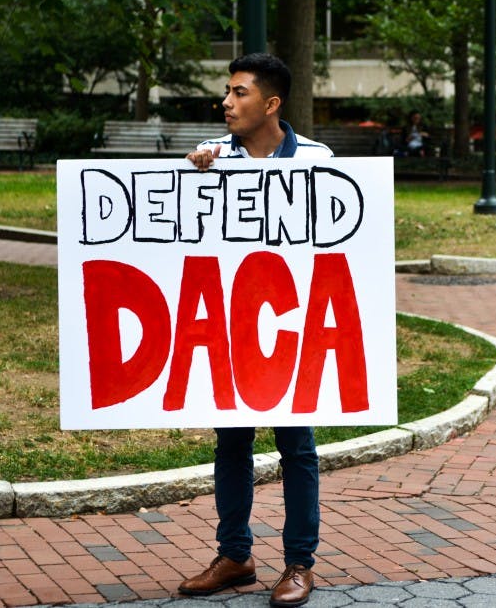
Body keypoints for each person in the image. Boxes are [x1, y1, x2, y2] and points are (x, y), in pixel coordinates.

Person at [180, 52, 332, 608]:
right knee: (232, 442)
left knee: (296, 445)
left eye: (239, 93)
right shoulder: (209, 160)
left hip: (289, 326)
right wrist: (192, 175)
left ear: (271, 104)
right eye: (226, 91)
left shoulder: (318, 160)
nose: (226, 102)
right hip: (228, 323)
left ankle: (299, 564)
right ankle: (236, 555)